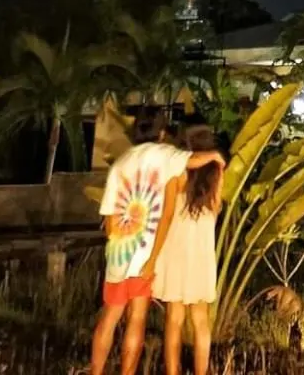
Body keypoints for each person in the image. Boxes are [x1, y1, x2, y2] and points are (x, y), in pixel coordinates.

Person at [91, 112, 223, 375]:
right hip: (147, 253)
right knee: (137, 319)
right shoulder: (165, 156)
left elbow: (108, 217)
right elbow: (194, 161)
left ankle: (95, 371)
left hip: (120, 251)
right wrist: (216, 157)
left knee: (110, 317)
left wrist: (116, 245)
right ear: (162, 133)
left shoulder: (119, 164)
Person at [153, 125, 225, 375]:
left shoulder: (177, 172)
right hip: (201, 254)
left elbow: (167, 211)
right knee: (201, 320)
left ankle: (173, 372)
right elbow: (216, 208)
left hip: (176, 250)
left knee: (174, 319)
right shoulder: (216, 174)